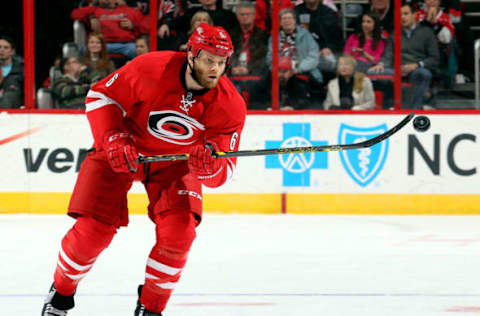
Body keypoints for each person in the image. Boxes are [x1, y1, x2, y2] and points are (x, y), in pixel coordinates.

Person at [41, 23, 246, 316]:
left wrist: (209, 166)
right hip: (123, 152)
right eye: (208, 59)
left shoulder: (230, 105)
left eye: (222, 61)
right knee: (93, 231)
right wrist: (113, 137)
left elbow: (223, 171)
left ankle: (150, 308)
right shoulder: (151, 68)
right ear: (191, 54)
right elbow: (100, 96)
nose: (215, 68)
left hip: (176, 164)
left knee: (179, 234)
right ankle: (60, 294)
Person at [369, 3, 440, 109]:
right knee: (373, 72)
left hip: (417, 69)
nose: (402, 17)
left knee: (423, 74)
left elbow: (434, 59)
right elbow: (388, 54)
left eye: (406, 14)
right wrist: (381, 64)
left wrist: (416, 65)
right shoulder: (395, 33)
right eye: (400, 15)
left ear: (414, 15)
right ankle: (388, 107)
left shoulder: (427, 32)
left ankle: (414, 109)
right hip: (397, 69)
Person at [71, 0, 148, 59]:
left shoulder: (128, 10)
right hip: (101, 44)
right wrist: (92, 13)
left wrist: (133, 25)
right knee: (84, 50)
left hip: (125, 45)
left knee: (138, 49)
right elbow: (74, 14)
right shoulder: (94, 10)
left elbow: (144, 26)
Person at [229, 2, 269, 109]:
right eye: (242, 14)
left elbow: (263, 57)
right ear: (237, 16)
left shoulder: (263, 35)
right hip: (233, 73)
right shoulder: (230, 34)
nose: (245, 17)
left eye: (248, 14)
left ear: (254, 16)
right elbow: (226, 54)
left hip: (255, 74)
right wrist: (232, 68)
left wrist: (249, 69)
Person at [294, 0, 343, 74]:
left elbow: (336, 36)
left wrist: (329, 48)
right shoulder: (296, 11)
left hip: (322, 50)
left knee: (330, 63)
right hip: (301, 49)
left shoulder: (328, 12)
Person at [0, 36, 24, 109]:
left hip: (15, 112)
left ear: (12, 51)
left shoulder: (21, 69)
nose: (1, 50)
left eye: (6, 47)